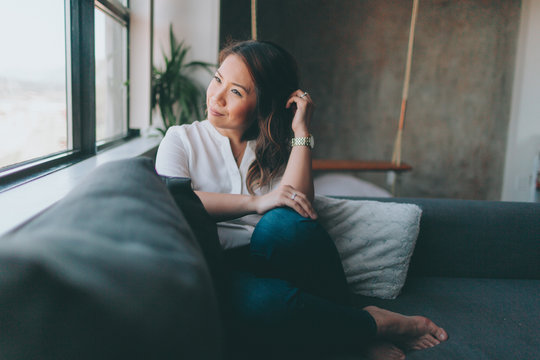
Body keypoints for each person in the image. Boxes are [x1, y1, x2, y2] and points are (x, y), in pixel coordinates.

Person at [155, 40, 448, 360]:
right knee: (266, 304)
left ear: (263, 103)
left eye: (236, 92)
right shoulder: (180, 139)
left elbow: (299, 212)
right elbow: (174, 201)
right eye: (217, 79)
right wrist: (254, 202)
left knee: (283, 224)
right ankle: (369, 325)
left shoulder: (274, 149)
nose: (217, 96)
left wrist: (301, 131)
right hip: (216, 267)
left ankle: (350, 327)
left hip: (274, 256)